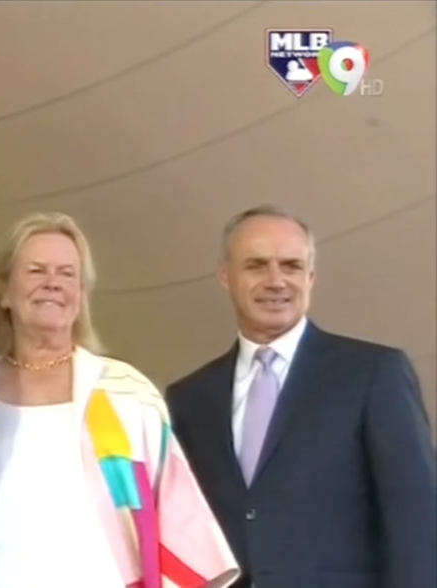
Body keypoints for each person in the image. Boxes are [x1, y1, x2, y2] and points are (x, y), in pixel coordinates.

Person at [0, 212, 240, 588]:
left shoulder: (127, 394)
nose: (53, 283)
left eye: (67, 274)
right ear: (3, 290)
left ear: (81, 295)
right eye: (36, 271)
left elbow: (177, 516)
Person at [166, 204, 437, 588]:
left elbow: (417, 518)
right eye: (257, 266)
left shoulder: (374, 374)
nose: (276, 281)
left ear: (311, 277)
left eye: (291, 266)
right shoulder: (190, 398)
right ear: (225, 275)